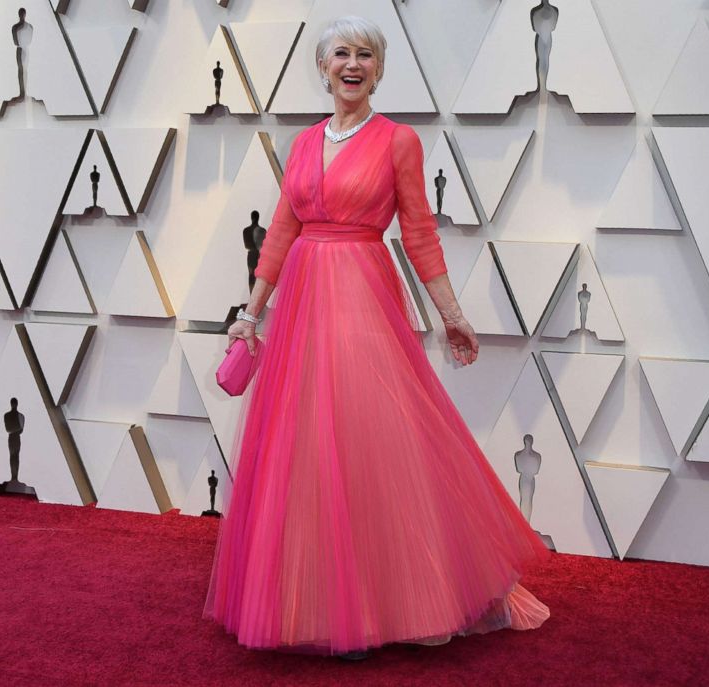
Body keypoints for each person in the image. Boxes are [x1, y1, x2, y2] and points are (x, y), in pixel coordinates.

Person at [202, 15, 550, 660]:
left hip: (364, 294)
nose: (353, 63)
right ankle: (313, 602)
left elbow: (418, 232)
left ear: (379, 69)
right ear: (323, 66)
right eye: (342, 53)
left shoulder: (398, 141)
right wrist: (250, 314)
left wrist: (451, 313)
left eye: (366, 54)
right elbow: (280, 232)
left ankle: (402, 598)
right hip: (304, 304)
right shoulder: (304, 143)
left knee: (374, 438)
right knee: (305, 445)